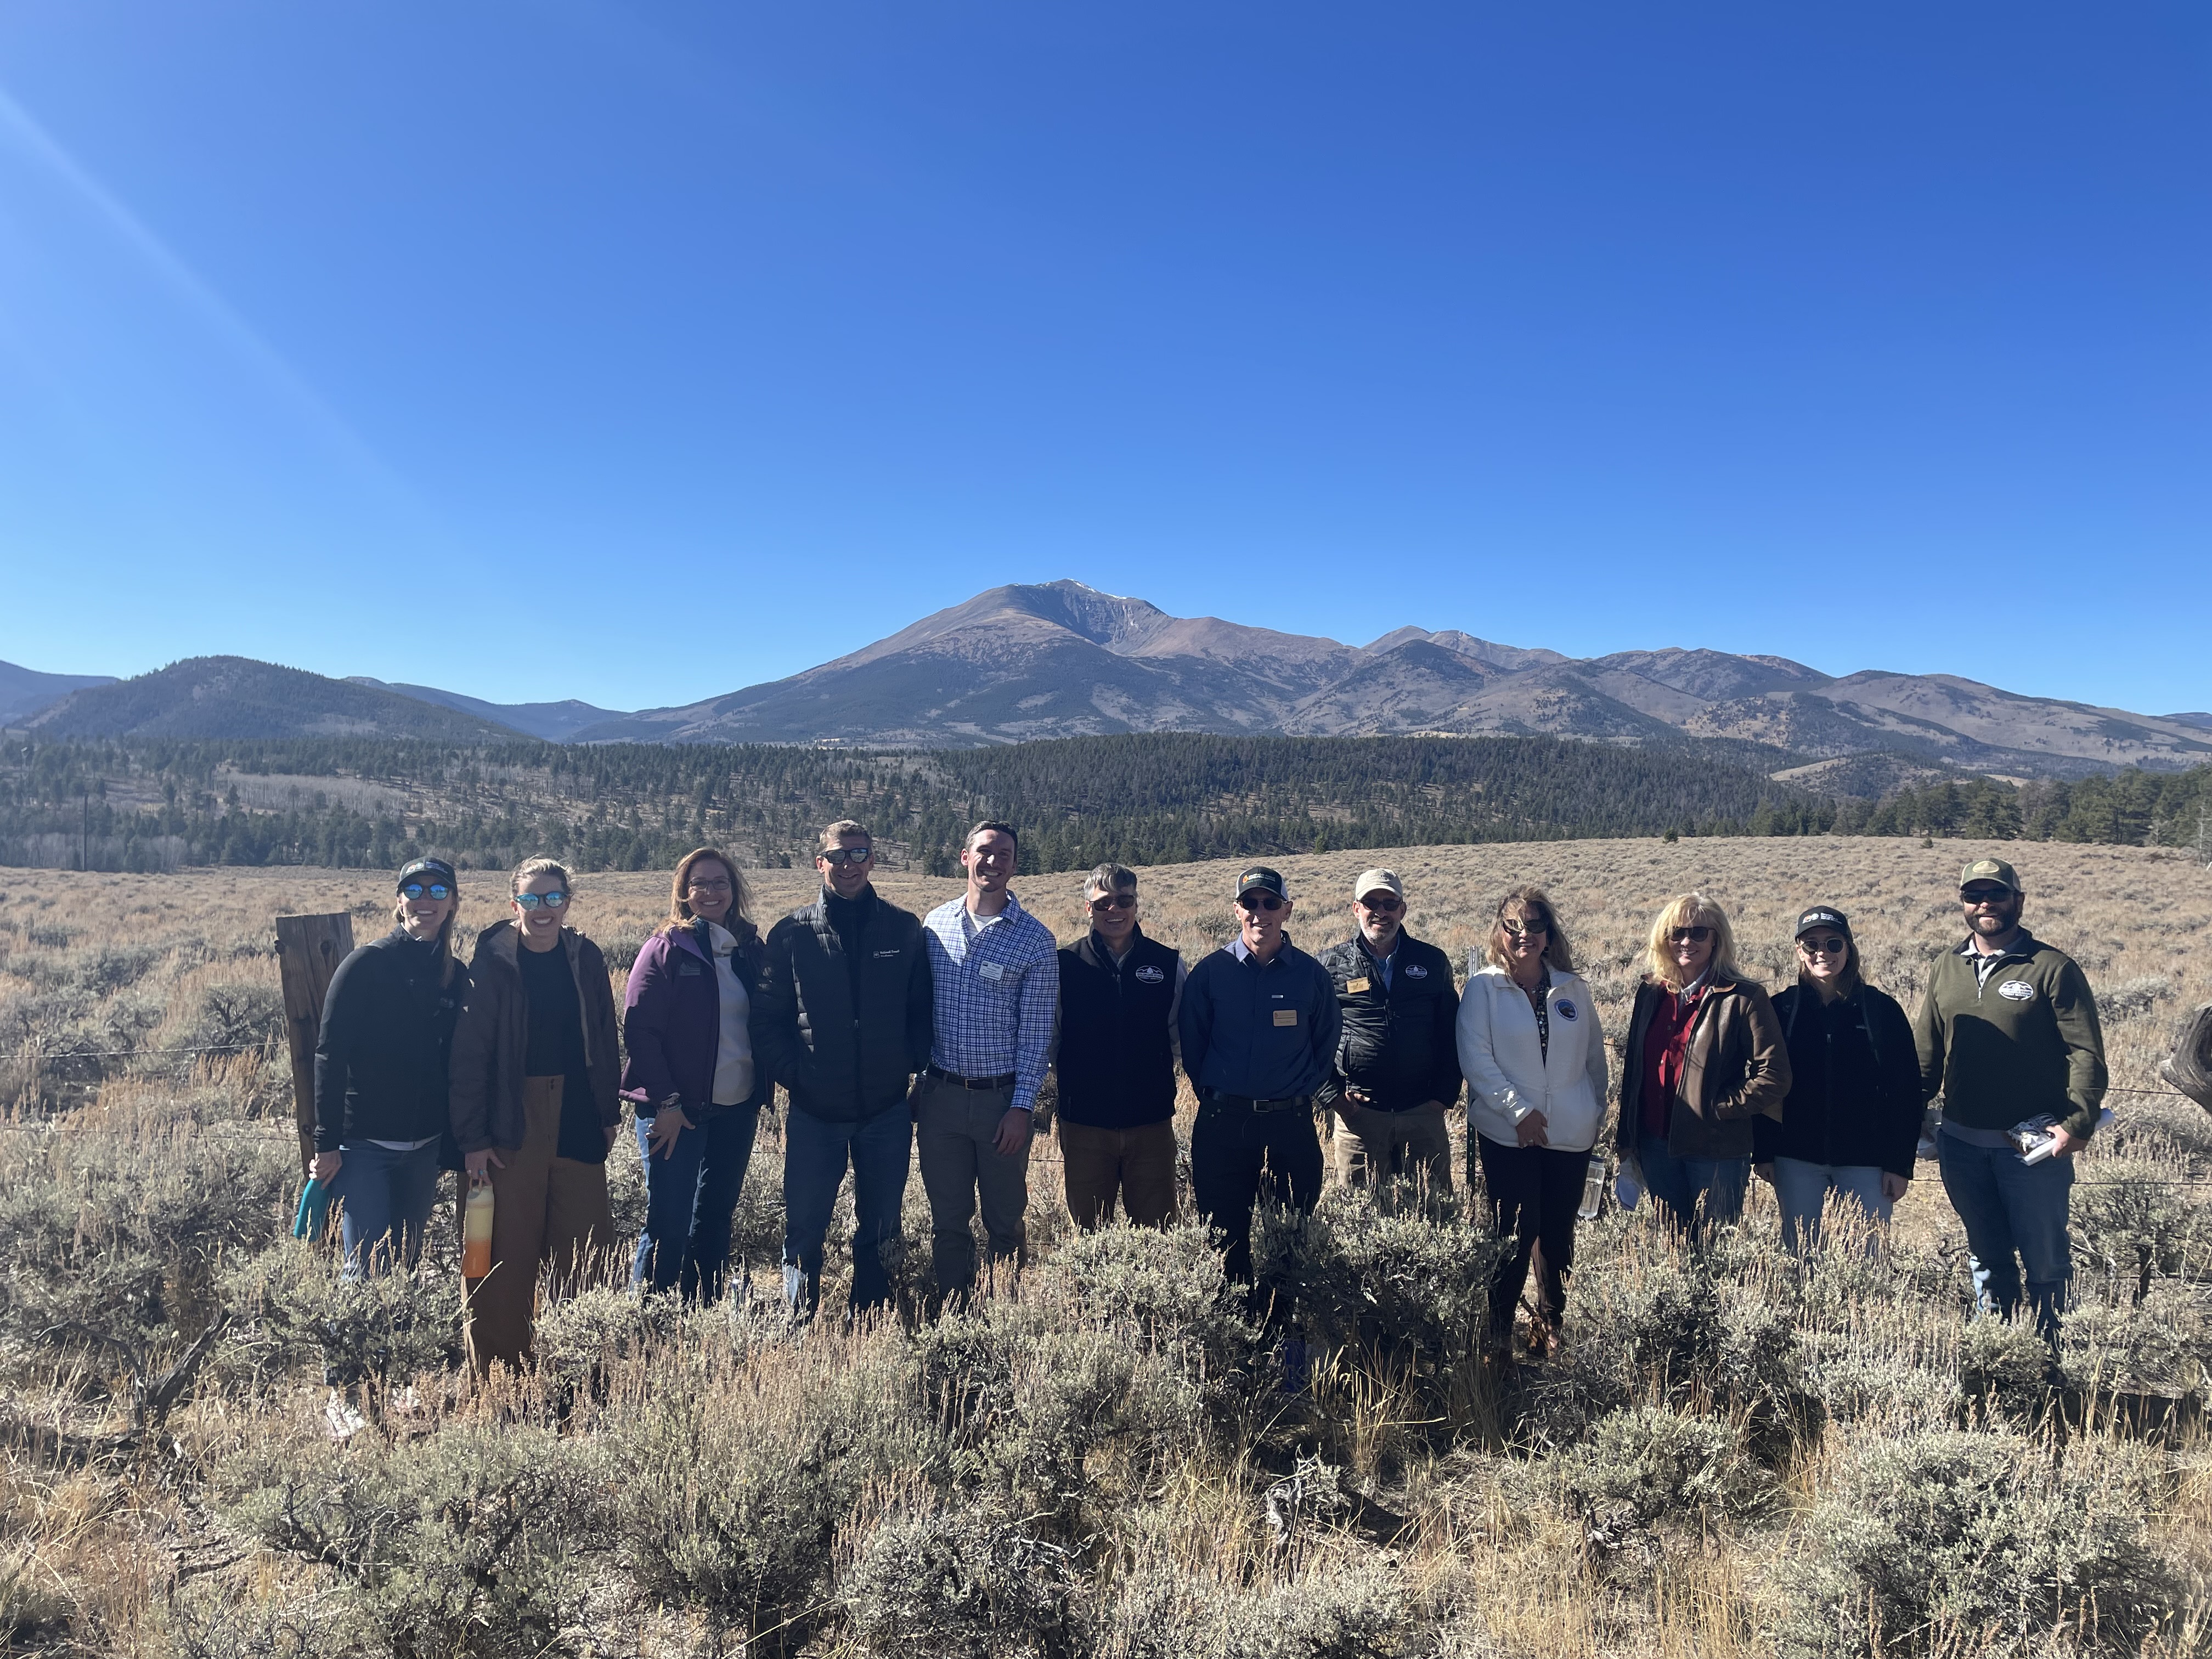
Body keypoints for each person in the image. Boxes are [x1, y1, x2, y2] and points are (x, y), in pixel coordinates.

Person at [1915, 857, 2107, 1343]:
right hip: (1960, 1144)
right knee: (1986, 1255)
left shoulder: (2052, 968)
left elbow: (2085, 1052)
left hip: (2035, 1147)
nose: (1985, 904)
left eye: (1996, 894)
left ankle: (2053, 1364)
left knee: (2045, 1261)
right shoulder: (1945, 967)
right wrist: (1910, 1115)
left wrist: (2078, 1123)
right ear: (1962, 904)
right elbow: (1927, 1054)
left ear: (2018, 901)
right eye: (1974, 895)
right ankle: (1996, 1358)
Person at [753, 821, 934, 1317]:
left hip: (885, 1110)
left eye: (859, 854)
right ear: (821, 863)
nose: (849, 864)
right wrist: (800, 1077)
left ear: (873, 859)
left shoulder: (902, 927)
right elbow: (767, 1021)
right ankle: (798, 1318)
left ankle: (869, 1318)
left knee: (881, 1224)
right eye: (838, 856)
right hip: (815, 1112)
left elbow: (922, 1010)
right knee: (805, 1225)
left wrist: (913, 1069)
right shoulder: (791, 932)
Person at [450, 858, 622, 1371]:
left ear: (568, 901)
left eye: (553, 898)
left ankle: (584, 1372)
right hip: (509, 1119)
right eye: (531, 899)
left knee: (586, 1254)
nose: (542, 909)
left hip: (577, 1113)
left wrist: (607, 1110)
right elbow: (469, 1057)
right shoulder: (492, 964)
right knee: (503, 1259)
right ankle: (503, 1381)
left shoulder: (585, 956)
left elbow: (604, 1037)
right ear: (514, 905)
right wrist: (474, 1139)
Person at [1458, 886, 1609, 1355]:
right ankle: (1499, 1335)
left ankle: (1548, 1330)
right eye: (1514, 926)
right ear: (1499, 932)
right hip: (1509, 1134)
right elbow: (1476, 1059)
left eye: (1535, 925)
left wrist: (1593, 1109)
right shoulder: (1484, 987)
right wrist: (1518, 1112)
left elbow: (1594, 1058)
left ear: (1549, 933)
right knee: (1513, 1234)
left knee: (1559, 1235)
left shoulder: (1572, 988)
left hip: (1570, 1134)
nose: (1525, 934)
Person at [620, 847, 772, 1302]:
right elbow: (640, 1030)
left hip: (736, 1109)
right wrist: (665, 1103)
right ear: (684, 894)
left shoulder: (750, 950)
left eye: (720, 883)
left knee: (714, 1218)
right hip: (676, 1112)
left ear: (734, 891)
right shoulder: (667, 947)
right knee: (668, 1219)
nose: (710, 892)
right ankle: (650, 1318)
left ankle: (700, 1313)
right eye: (700, 884)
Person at [916, 822, 1059, 1302]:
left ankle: (1003, 1318)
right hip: (940, 1100)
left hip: (1002, 1104)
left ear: (1015, 865)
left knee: (1004, 1220)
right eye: (984, 851)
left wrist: (1022, 1109)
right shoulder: (934, 926)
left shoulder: (1035, 941)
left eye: (1004, 854)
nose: (993, 862)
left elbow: (1036, 1036)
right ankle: (955, 1317)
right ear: (964, 857)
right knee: (948, 1220)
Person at [1179, 866, 1340, 1289]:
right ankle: (1237, 1339)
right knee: (1222, 1241)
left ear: (1287, 910)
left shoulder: (1311, 976)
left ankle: (1284, 1338)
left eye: (1270, 903)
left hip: (1291, 1126)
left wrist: (1295, 1091)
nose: (1260, 912)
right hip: (1223, 1125)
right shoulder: (1210, 974)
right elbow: (1194, 1048)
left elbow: (1325, 1045)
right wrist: (1220, 1096)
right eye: (1250, 903)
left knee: (1290, 1238)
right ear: (1237, 910)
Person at [310, 858, 469, 1278]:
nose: (426, 900)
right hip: (364, 1148)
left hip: (425, 1148)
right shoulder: (366, 966)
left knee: (406, 1263)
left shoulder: (455, 976)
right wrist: (326, 1144)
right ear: (399, 901)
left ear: (453, 903)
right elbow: (330, 1055)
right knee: (365, 1268)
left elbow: (464, 1061)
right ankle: (358, 1343)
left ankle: (400, 1344)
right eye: (414, 890)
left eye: (438, 891)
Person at [1613, 892, 1790, 1240]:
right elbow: (1635, 1071)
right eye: (1677, 933)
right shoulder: (1649, 993)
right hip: (1655, 1145)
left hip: (1716, 1149)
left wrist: (1716, 1108)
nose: (1686, 941)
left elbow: (1774, 1076)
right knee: (1674, 1253)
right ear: (1663, 938)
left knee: (1716, 1253)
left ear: (1716, 939)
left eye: (1698, 933)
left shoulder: (1744, 997)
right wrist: (1627, 1138)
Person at [1753, 906, 1921, 1255]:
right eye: (1811, 944)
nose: (1822, 953)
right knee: (1800, 1254)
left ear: (1848, 948)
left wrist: (1899, 1163)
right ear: (1799, 950)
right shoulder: (1781, 1009)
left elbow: (1905, 1090)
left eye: (1833, 943)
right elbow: (1763, 1085)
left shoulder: (1880, 1010)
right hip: (1795, 1156)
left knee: (1866, 1260)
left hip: (1868, 1160)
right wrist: (1765, 1151)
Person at [1314, 868, 1461, 1202]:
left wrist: (1442, 1097)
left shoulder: (1431, 961)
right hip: (1360, 1116)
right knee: (1361, 1220)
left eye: (1389, 903)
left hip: (1423, 1111)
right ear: (1356, 909)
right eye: (1370, 903)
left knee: (1434, 1214)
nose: (1380, 911)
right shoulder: (1330, 966)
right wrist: (1333, 1097)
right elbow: (1312, 1039)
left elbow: (1452, 1033)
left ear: (1402, 910)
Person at [1053, 862, 1186, 1229]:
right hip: (1084, 1126)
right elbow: (1052, 1040)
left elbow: (1180, 1039)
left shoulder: (1168, 964)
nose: (1114, 911)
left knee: (1159, 1234)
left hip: (1151, 1125)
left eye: (1124, 900)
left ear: (1136, 904)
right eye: (1103, 904)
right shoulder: (1064, 965)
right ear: (1088, 908)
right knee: (1089, 1236)